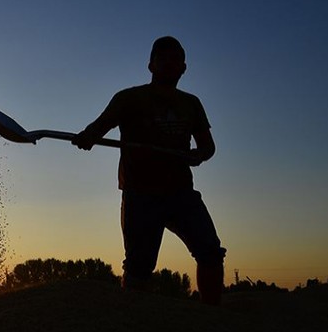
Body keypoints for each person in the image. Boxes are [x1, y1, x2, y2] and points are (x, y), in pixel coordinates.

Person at [72, 36, 226, 305]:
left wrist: (198, 155)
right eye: (163, 59)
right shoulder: (129, 98)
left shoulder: (191, 103)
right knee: (139, 268)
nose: (169, 64)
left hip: (181, 193)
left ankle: (212, 313)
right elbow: (99, 126)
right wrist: (88, 136)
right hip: (140, 195)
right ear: (151, 65)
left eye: (175, 60)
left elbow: (208, 146)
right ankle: (133, 318)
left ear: (184, 68)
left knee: (210, 251)